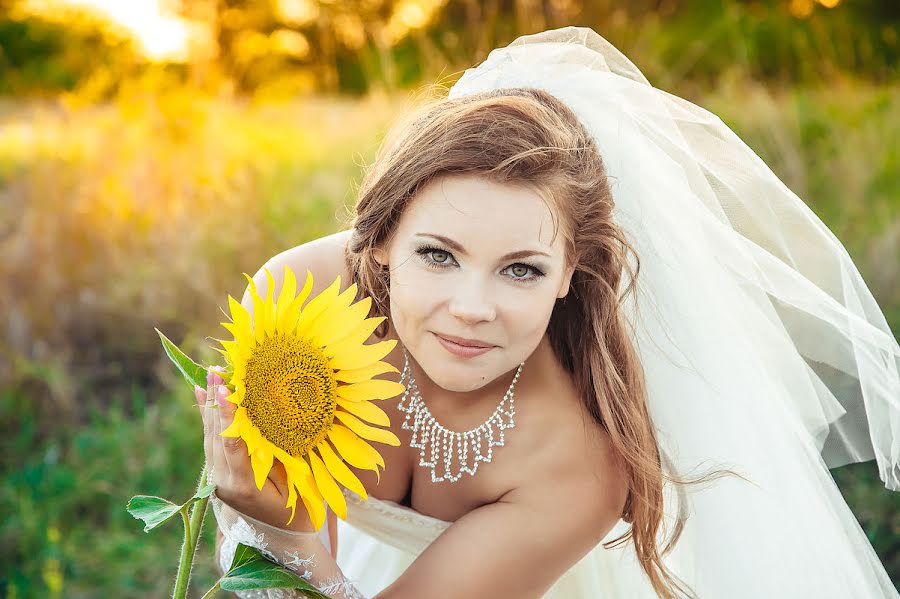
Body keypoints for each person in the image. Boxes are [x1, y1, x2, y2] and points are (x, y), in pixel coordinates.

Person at [194, 27, 900, 598]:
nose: (470, 310)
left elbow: (289, 541)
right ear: (377, 239)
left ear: (570, 273)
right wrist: (268, 528)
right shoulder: (299, 299)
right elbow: (260, 540)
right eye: (438, 254)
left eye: (521, 269)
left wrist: (282, 535)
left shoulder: (580, 460)